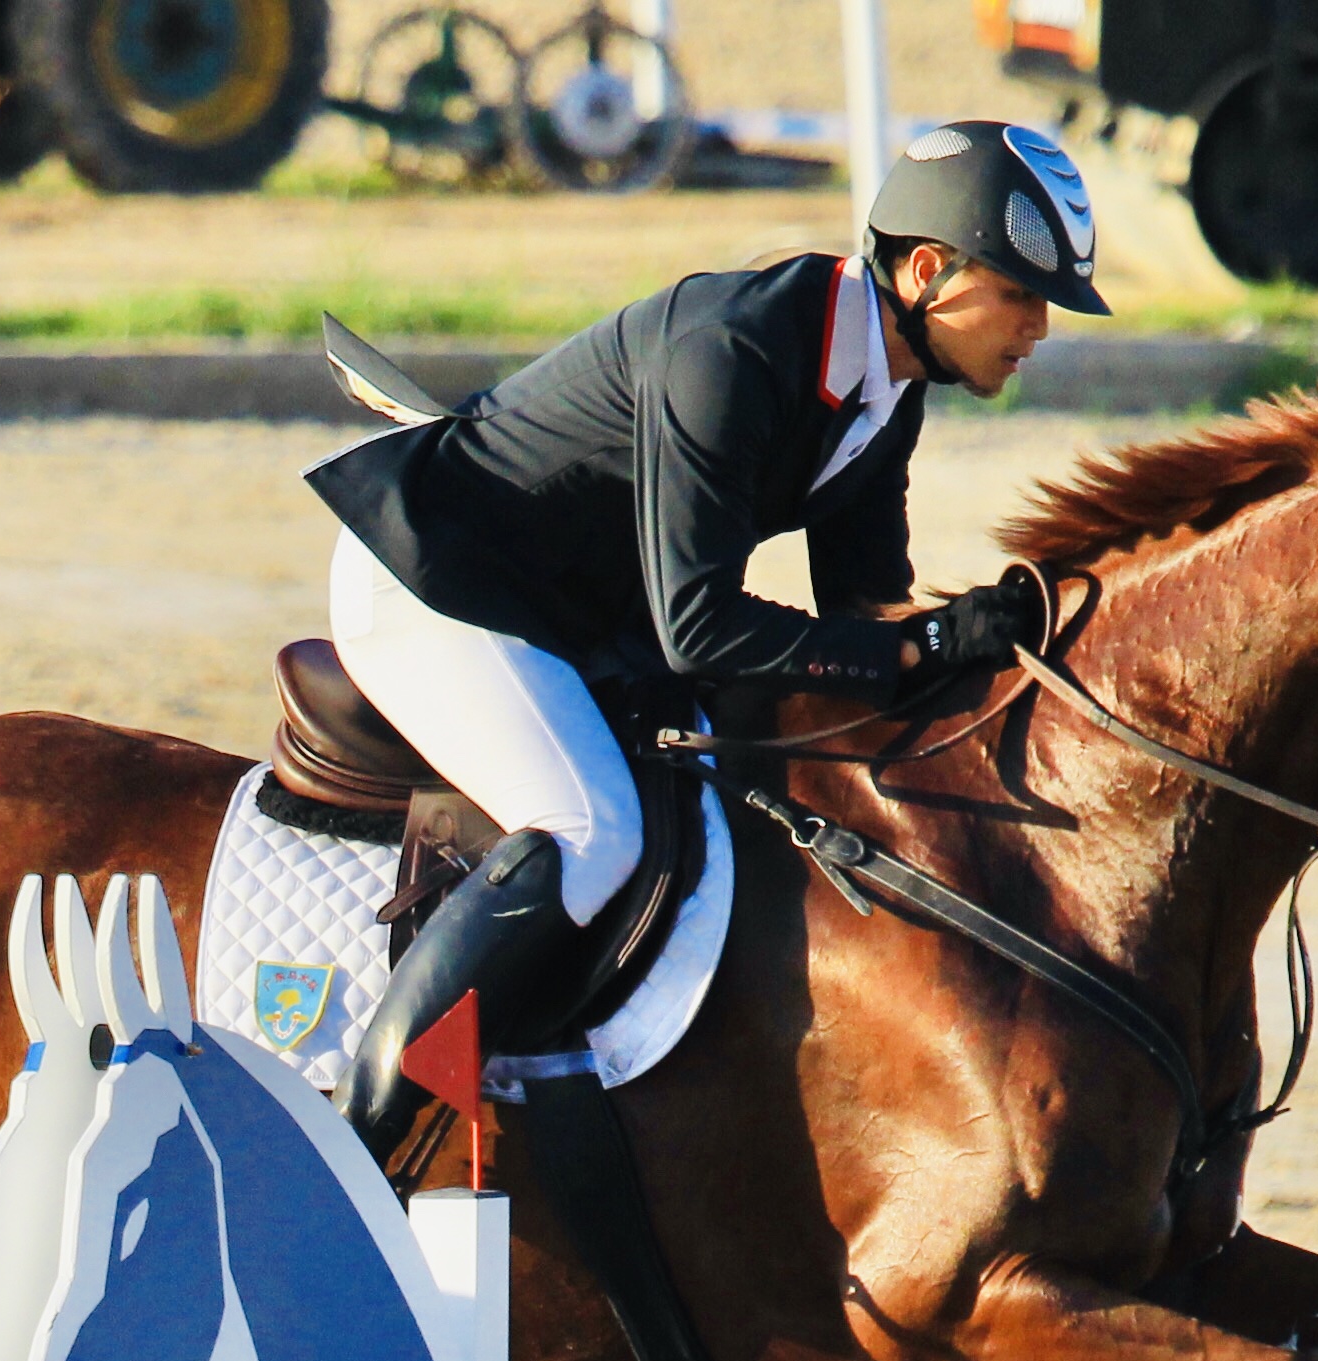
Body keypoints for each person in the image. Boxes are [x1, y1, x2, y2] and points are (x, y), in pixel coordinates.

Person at [306, 120, 1109, 1160]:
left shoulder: (888, 393)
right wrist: (911, 653)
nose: (1039, 327)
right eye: (1021, 294)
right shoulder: (736, 350)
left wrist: (965, 641)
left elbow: (863, 618)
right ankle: (363, 1134)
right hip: (440, 587)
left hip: (572, 613)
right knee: (595, 834)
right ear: (926, 271)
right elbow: (699, 627)